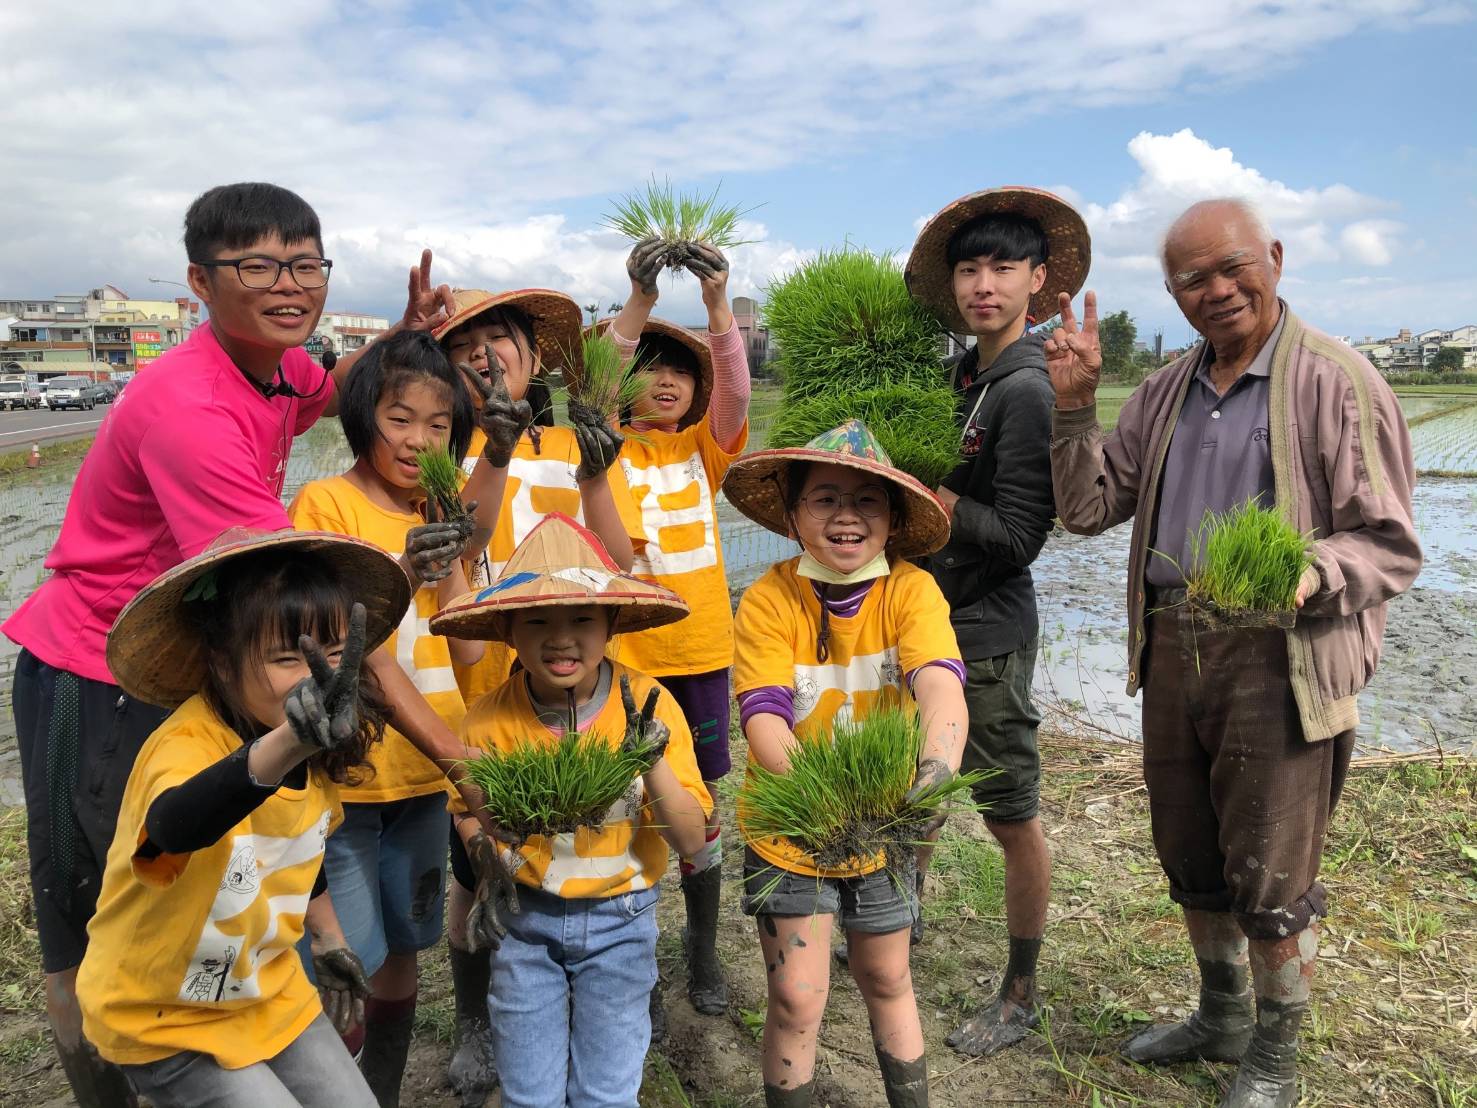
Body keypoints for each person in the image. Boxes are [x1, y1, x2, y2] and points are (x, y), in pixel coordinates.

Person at [2, 181, 458, 1107]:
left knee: (224, 868)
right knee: (102, 915)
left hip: (203, 653)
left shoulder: (276, 368)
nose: (289, 285)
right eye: (257, 266)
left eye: (305, 264)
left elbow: (319, 398)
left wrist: (393, 339)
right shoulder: (189, 411)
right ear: (199, 283)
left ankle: (232, 1024)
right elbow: (316, 624)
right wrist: (459, 758)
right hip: (94, 674)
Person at [1045, 198, 1420, 1107]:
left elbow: (1390, 545)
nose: (1215, 292)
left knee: (1269, 865)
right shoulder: (1166, 390)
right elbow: (1089, 509)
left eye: (1231, 268)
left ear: (1275, 259)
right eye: (1191, 280)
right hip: (1174, 644)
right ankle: (1219, 1017)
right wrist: (1071, 409)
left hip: (1278, 654)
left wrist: (1308, 571)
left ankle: (1275, 1055)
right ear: (1172, 293)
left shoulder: (1337, 380)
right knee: (1190, 848)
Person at [74, 527, 415, 1107]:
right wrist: (288, 743)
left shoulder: (317, 738)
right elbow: (167, 837)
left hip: (264, 989)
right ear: (223, 662)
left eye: (336, 655)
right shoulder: (187, 745)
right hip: (162, 1014)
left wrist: (327, 936)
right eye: (288, 658)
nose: (321, 677)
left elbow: (298, 844)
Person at [434, 288, 647, 1102]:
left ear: (534, 353)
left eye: (503, 340)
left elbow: (618, 557)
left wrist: (597, 475)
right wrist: (490, 446)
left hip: (573, 681)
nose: (487, 356)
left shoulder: (569, 443)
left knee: (586, 834)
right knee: (476, 864)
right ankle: (474, 1019)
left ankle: (601, 986)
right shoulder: (448, 451)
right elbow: (465, 547)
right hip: (488, 681)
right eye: (467, 348)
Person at [722, 420, 969, 1107]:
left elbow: (939, 684)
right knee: (798, 999)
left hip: (882, 829)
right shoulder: (770, 598)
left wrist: (936, 768)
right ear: (793, 515)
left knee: (887, 978)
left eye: (867, 502)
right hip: (790, 830)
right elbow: (765, 717)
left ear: (891, 520)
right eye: (824, 498)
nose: (845, 517)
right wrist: (822, 806)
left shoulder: (911, 592)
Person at [430, 512, 711, 1108]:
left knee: (607, 1093)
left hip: (623, 919)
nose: (561, 637)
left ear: (612, 622)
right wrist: (488, 861)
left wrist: (649, 757)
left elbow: (691, 841)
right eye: (537, 619)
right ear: (507, 629)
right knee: (528, 1093)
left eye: (582, 617)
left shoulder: (652, 706)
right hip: (524, 923)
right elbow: (469, 814)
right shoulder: (487, 719)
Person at [901, 187, 1090, 1055]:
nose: (983, 283)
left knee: (1009, 812)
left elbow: (1019, 538)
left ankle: (1021, 989)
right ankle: (901, 930)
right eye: (970, 269)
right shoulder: (960, 375)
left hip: (983, 634)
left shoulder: (1025, 390)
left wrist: (932, 498)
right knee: (918, 791)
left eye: (1002, 268)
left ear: (1037, 281)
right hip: (922, 622)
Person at [287, 330, 487, 1106]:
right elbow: (343, 645)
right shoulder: (326, 505)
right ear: (364, 414)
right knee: (348, 954)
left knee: (406, 945)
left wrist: (453, 562)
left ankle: (384, 1089)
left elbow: (468, 656)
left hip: (422, 782)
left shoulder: (444, 515)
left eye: (439, 427)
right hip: (347, 778)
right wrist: (405, 569)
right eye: (400, 418)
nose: (417, 440)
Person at [606, 237, 751, 1022]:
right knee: (625, 801)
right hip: (622, 659)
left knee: (699, 806)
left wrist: (718, 306)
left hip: (695, 656)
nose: (664, 378)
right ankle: (636, 957)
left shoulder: (706, 448)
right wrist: (641, 297)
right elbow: (602, 377)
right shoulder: (597, 451)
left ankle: (700, 951)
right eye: (647, 366)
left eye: (678, 369)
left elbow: (733, 392)